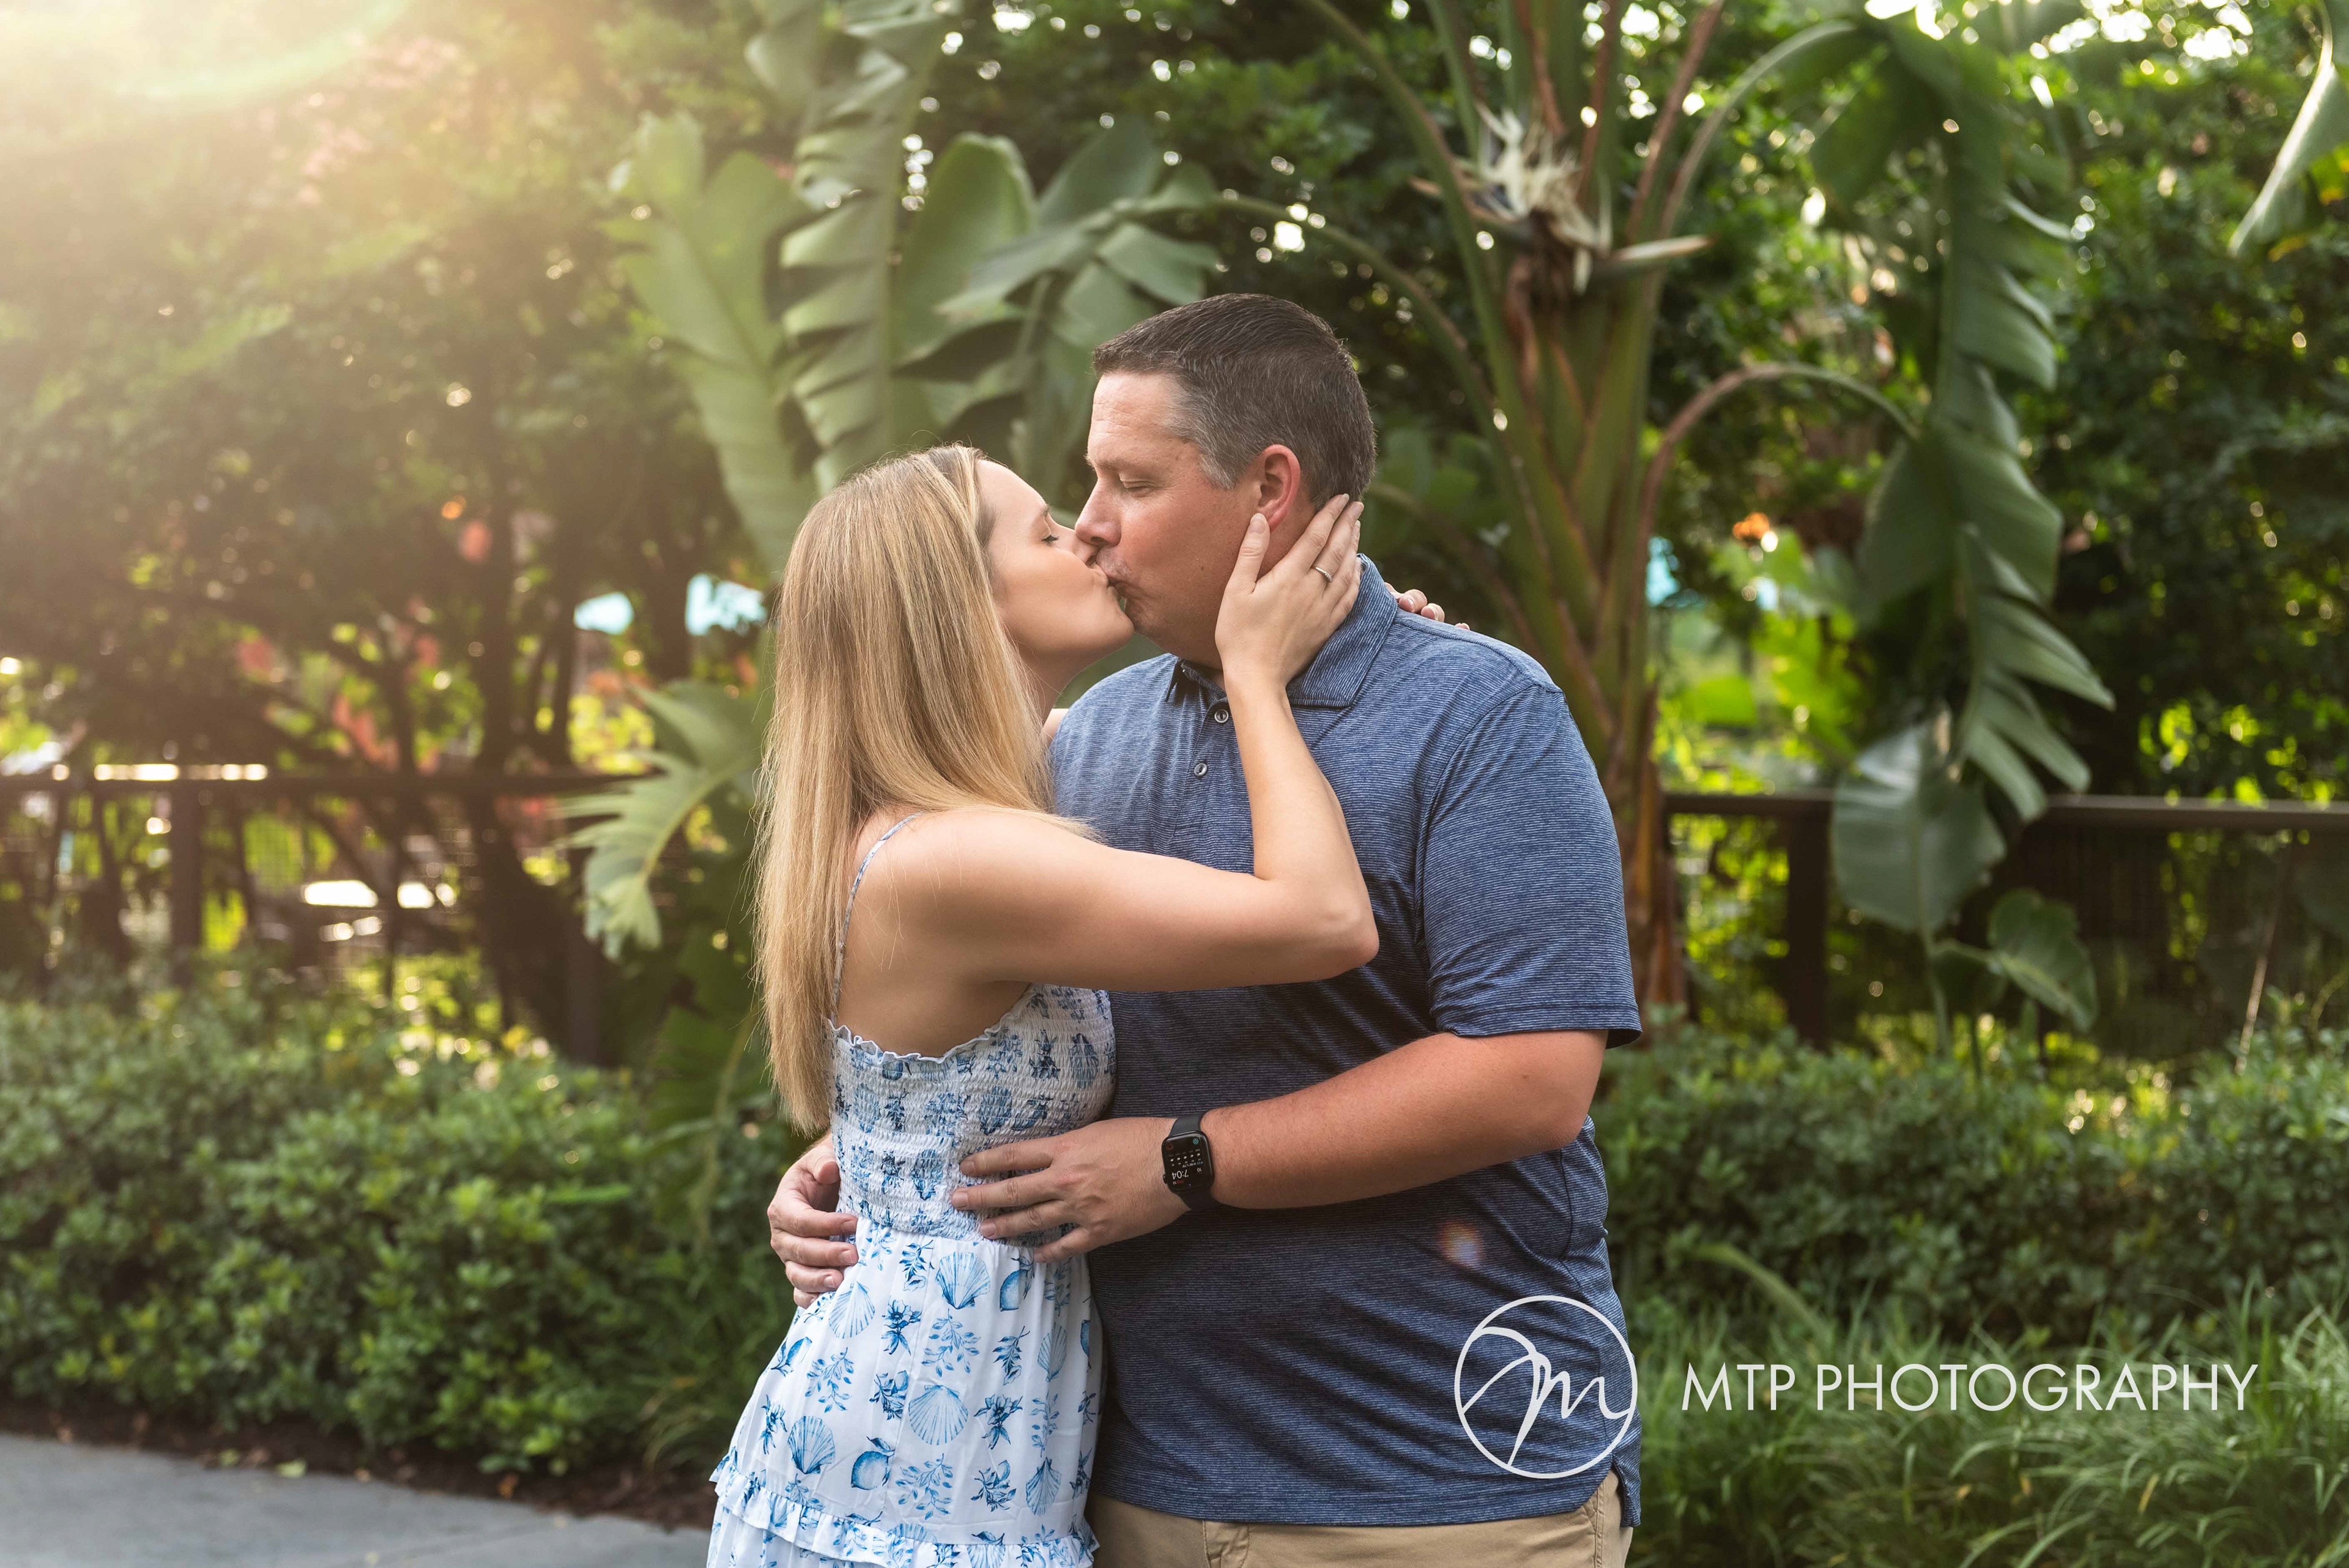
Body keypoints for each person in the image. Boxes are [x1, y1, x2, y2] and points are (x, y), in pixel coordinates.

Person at [771, 295, 1645, 1568]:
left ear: (1269, 490)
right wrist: (858, 1158)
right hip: (1125, 1488)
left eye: (1131, 480)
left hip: (1432, 1490)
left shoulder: (1480, 714)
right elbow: (976, 1008)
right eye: (1082, 488)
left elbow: (1533, 1080)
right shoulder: (1084, 745)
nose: (1093, 524)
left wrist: (1187, 1159)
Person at [707, 439, 1390, 1568]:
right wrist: (1259, 672)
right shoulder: (960, 860)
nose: (1085, 534)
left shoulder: (984, 804)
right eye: (1042, 532)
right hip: (904, 1499)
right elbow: (1323, 921)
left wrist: (1371, 627)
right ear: (957, 608)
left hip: (960, 1470)